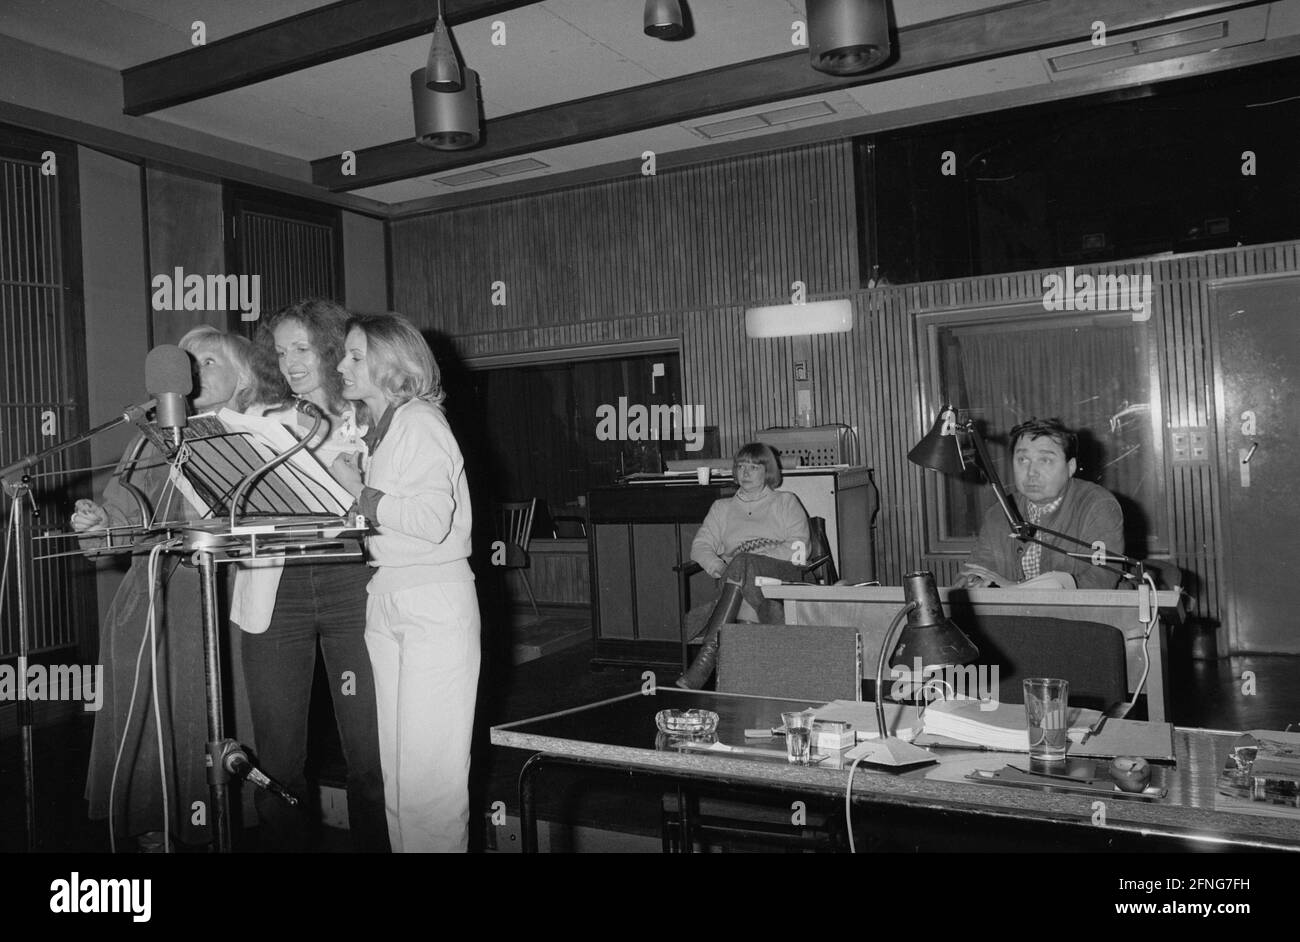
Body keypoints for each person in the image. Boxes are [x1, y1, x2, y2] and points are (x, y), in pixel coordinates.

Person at [75, 325, 256, 851]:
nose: (194, 370)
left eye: (209, 362)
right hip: (150, 613)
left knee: (214, 728)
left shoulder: (254, 438)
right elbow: (122, 516)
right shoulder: (149, 438)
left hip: (222, 610)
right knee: (151, 735)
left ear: (244, 379)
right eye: (188, 361)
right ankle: (157, 835)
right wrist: (97, 522)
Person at [231, 299, 388, 852]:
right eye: (280, 351)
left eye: (302, 348)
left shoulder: (371, 415)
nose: (291, 362)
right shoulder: (258, 422)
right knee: (276, 760)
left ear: (329, 348)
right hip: (279, 590)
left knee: (371, 756)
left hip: (354, 583)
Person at [329, 312, 480, 853]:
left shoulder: (419, 421)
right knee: (400, 778)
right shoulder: (385, 428)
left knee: (430, 785)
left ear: (392, 363)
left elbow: (427, 520)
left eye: (354, 355)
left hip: (430, 598)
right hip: (389, 592)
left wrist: (356, 489)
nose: (341, 365)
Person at [676, 442, 810, 689]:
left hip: (780, 576)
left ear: (767, 471)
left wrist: (755, 556)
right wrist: (718, 567)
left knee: (743, 563)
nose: (745, 473)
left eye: (754, 467)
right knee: (742, 571)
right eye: (741, 466)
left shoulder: (786, 502)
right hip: (740, 581)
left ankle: (706, 660)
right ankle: (751, 678)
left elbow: (800, 549)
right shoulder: (722, 508)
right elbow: (701, 546)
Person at [954, 417, 1125, 590]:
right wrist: (974, 582)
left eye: (1045, 460)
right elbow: (973, 571)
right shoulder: (999, 513)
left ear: (1070, 467)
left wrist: (1014, 589)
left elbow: (1101, 580)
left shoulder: (1097, 506)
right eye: (1023, 460)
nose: (1031, 472)